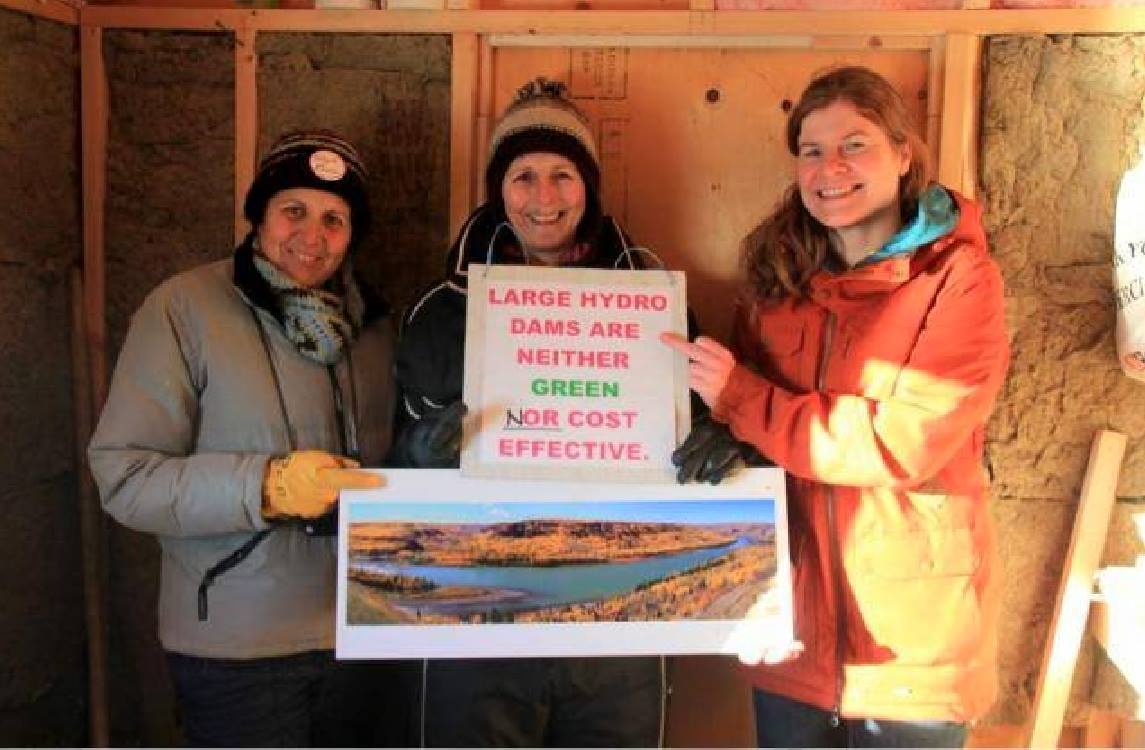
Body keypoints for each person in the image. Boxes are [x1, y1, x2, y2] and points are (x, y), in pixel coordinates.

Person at [662, 66, 1010, 748]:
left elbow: (897, 445)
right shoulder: (774, 277)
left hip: (909, 640)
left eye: (854, 144)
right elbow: (758, 442)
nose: (830, 168)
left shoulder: (957, 277)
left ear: (903, 154)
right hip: (790, 629)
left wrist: (739, 398)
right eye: (811, 150)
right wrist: (725, 432)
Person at [88, 131, 413, 747]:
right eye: (294, 211)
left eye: (334, 219)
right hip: (238, 652)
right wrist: (266, 486)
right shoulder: (185, 310)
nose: (312, 236)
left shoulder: (373, 326)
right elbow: (124, 477)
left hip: (363, 639)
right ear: (260, 215)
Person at [391, 78, 668, 747]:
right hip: (482, 595)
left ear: (589, 185)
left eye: (561, 175)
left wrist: (709, 440)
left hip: (614, 601)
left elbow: (686, 436)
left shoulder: (652, 292)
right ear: (497, 189)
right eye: (522, 177)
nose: (543, 199)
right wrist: (416, 456)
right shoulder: (441, 309)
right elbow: (391, 462)